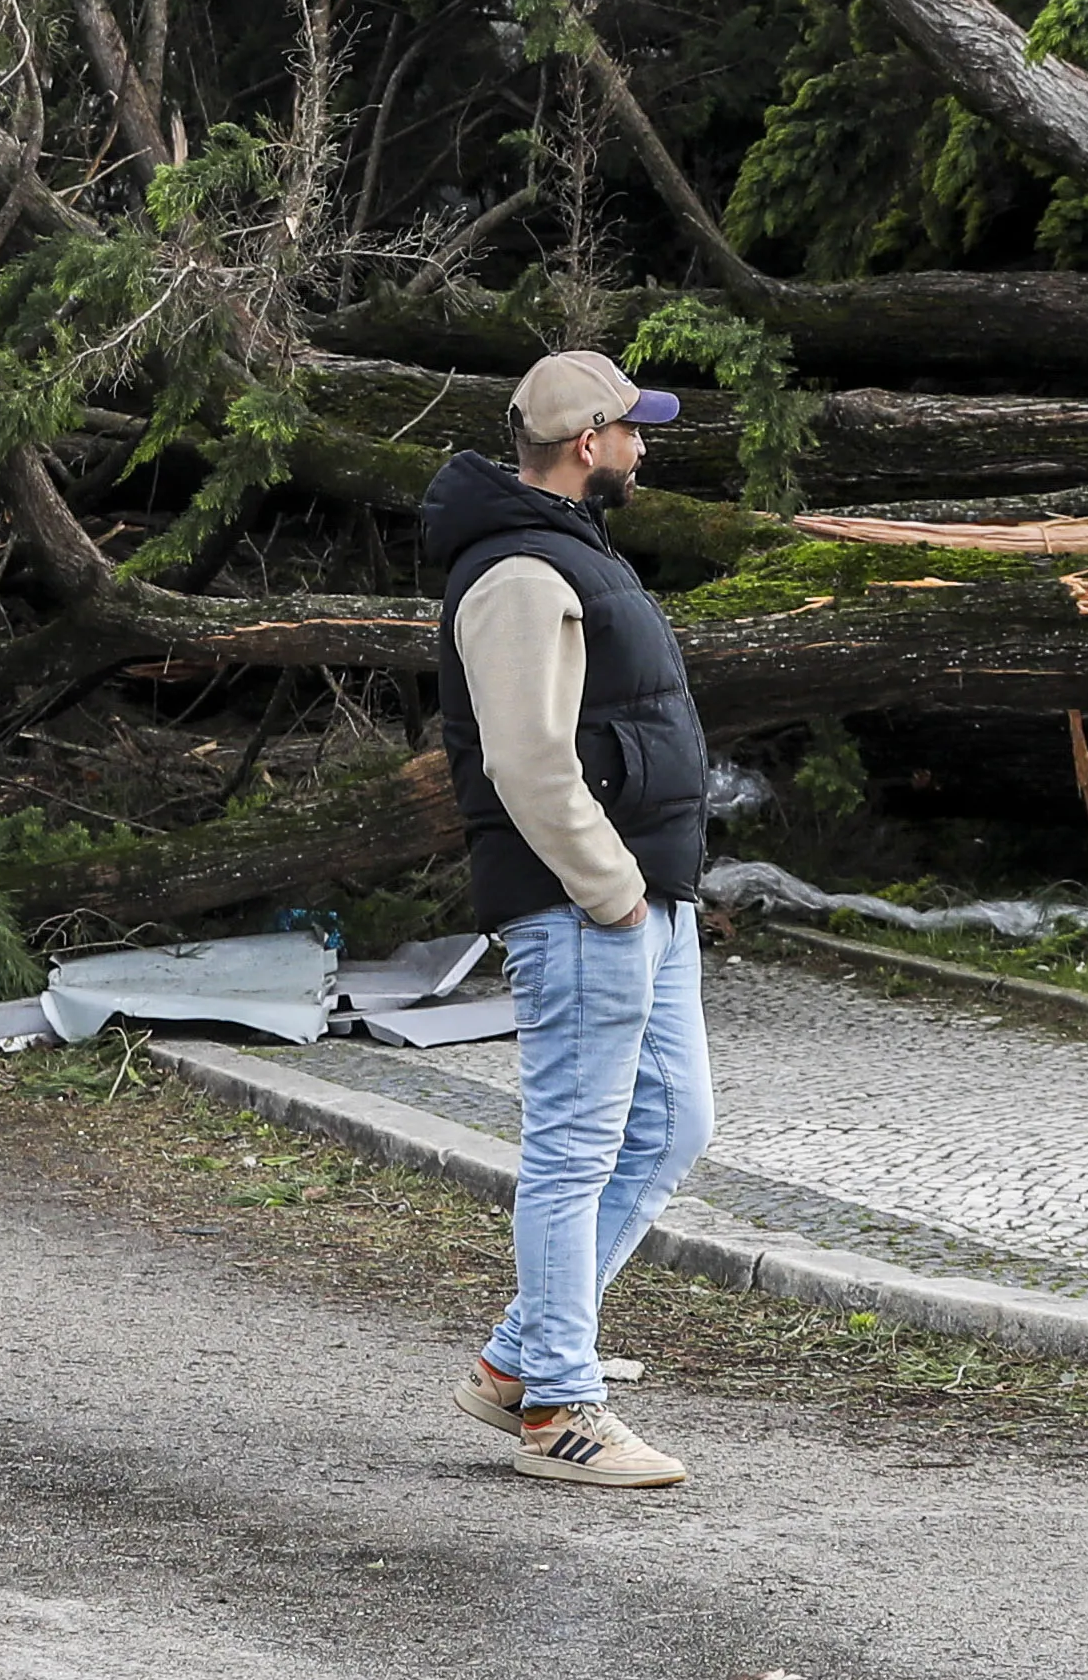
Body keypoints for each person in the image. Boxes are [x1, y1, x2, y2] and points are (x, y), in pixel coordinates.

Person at [426, 349, 717, 1489]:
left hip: (645, 896)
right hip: (588, 903)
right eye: (633, 430)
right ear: (588, 442)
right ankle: (559, 1403)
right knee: (576, 1150)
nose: (645, 447)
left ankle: (515, 1359)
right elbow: (526, 760)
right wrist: (609, 883)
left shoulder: (573, 555)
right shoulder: (516, 573)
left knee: (673, 1125)